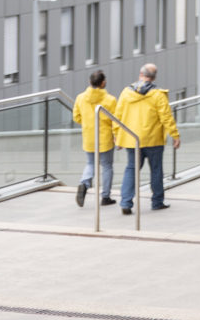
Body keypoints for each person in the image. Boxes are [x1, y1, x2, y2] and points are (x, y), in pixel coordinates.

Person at [114, 64, 179, 214]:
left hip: (132, 139)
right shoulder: (158, 94)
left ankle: (126, 203)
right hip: (153, 139)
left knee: (131, 169)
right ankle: (157, 202)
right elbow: (166, 117)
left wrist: (116, 135)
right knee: (156, 170)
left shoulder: (126, 92)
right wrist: (175, 135)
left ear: (140, 74)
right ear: (154, 77)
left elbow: (117, 115)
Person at [73, 70, 118, 207]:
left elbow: (76, 117)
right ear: (103, 82)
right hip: (105, 138)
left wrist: (87, 123)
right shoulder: (110, 100)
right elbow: (115, 121)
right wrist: (116, 135)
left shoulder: (80, 98)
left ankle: (84, 184)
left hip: (89, 137)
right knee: (107, 166)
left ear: (90, 82)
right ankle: (105, 197)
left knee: (91, 164)